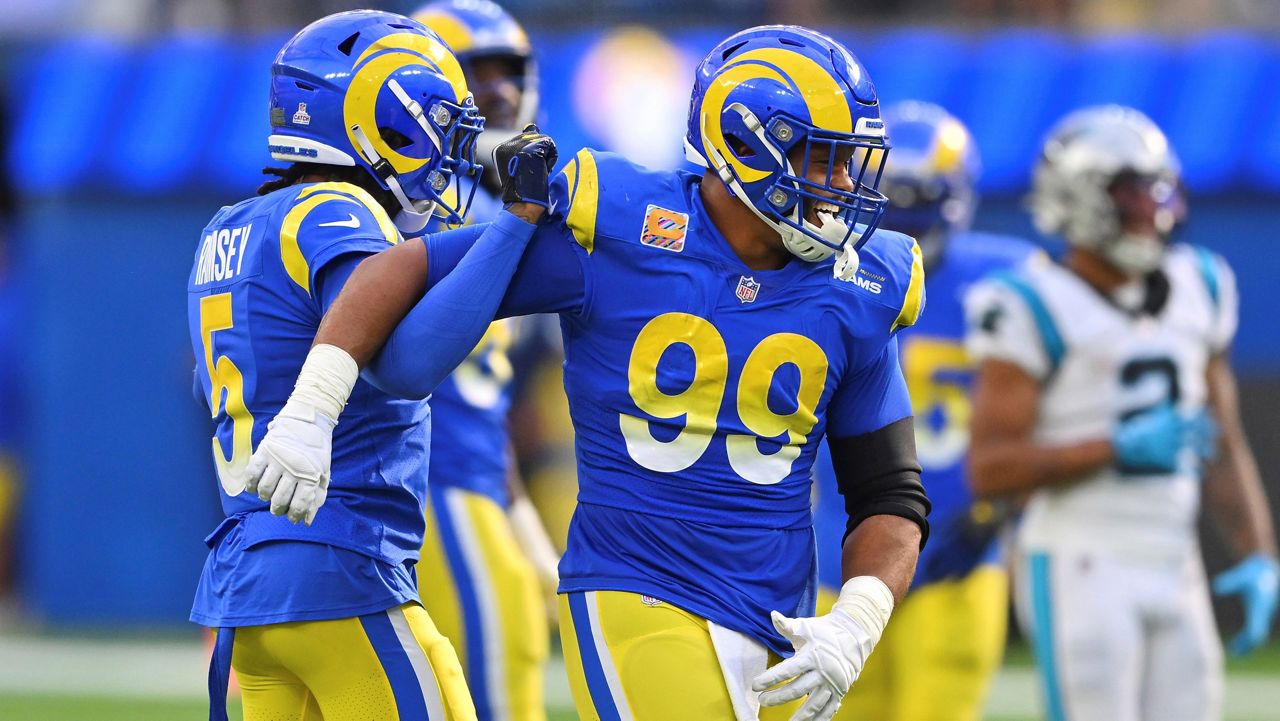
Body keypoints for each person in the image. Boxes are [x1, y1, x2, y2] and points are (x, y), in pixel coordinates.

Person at [249, 25, 931, 721]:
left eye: (852, 164)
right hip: (636, 585)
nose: (844, 186)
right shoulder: (622, 226)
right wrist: (314, 405)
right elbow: (403, 267)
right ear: (749, 145)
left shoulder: (861, 288)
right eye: (825, 160)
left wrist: (858, 617)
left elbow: (889, 493)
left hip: (783, 619)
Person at [186, 10, 558, 720]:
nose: (453, 145)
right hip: (341, 569)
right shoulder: (333, 211)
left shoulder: (225, 228)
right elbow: (403, 364)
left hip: (248, 583)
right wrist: (513, 224)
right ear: (375, 116)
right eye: (440, 121)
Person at [965, 105, 1279, 721]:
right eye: (1134, 194)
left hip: (1175, 555)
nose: (1152, 212)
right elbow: (991, 467)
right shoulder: (1031, 302)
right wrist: (1113, 446)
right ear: (1082, 197)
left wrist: (1257, 552)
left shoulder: (1202, 283)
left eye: (1160, 192)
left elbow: (1222, 440)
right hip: (1080, 558)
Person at [812, 101, 1041, 721]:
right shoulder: (829, 273)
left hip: (958, 552)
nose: (902, 216)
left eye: (918, 196)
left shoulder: (1011, 281)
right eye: (890, 195)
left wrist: (998, 512)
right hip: (840, 543)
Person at [410, 2, 560, 720]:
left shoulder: (489, 201)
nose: (496, 93)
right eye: (475, 74)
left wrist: (518, 505)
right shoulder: (419, 205)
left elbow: (477, 392)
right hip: (433, 491)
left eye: (508, 74)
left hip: (472, 483)